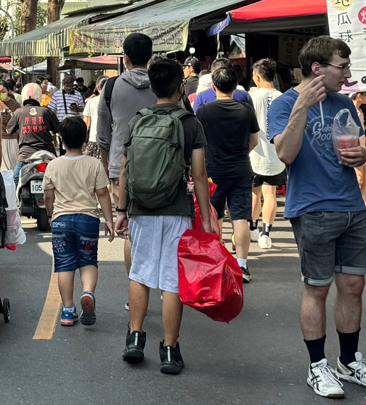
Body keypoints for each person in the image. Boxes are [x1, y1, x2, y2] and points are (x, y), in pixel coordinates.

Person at [268, 36, 366, 398]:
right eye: (342, 66)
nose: (348, 74)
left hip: (351, 206)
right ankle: (317, 366)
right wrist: (302, 106)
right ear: (317, 68)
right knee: (316, 289)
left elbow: (358, 145)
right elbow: (285, 154)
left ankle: (348, 362)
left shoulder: (344, 102)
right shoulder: (285, 103)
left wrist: (363, 154)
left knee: (353, 286)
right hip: (313, 207)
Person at [116, 59, 211, 375]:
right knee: (172, 280)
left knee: (140, 273)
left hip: (141, 209)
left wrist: (121, 210)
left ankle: (135, 339)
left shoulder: (137, 121)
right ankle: (169, 350)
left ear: (153, 88)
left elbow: (125, 169)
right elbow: (198, 175)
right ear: (180, 87)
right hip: (176, 210)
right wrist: (207, 221)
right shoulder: (190, 124)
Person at [97, 33, 156, 285]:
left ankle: (136, 291)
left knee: (131, 230)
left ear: (126, 57)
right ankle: (163, 286)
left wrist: (107, 166)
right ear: (150, 57)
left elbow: (102, 136)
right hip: (160, 165)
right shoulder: (162, 84)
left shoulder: (111, 87)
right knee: (159, 229)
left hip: (121, 167)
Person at [42, 117, 113, 327]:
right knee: (88, 260)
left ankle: (67, 310)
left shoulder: (53, 165)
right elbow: (103, 194)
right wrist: (109, 220)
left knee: (64, 263)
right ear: (85, 139)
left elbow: (48, 196)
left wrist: (50, 215)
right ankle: (88, 293)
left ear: (61, 139)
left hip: (61, 220)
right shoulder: (94, 164)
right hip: (88, 220)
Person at [195, 67, 259, 282]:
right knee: (240, 218)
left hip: (212, 171)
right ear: (235, 87)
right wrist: (240, 154)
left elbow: (197, 144)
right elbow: (254, 141)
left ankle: (216, 264)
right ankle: (242, 266)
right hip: (241, 169)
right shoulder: (246, 110)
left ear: (213, 87)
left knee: (214, 217)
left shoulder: (203, 111)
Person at [249, 59, 287, 249]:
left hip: (255, 153)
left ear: (257, 76)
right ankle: (266, 233)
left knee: (255, 193)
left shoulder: (252, 97)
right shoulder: (283, 97)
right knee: (270, 193)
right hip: (277, 154)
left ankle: (253, 229)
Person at [6, 83, 60, 188]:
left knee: (16, 178)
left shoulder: (18, 112)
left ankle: (18, 202)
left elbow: (9, 130)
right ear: (39, 96)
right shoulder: (46, 112)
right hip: (47, 153)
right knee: (58, 178)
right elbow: (57, 128)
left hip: (25, 155)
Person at [83, 76, 108, 158]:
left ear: (98, 88)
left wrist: (83, 141)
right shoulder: (115, 101)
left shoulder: (91, 101)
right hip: (110, 140)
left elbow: (86, 124)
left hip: (94, 139)